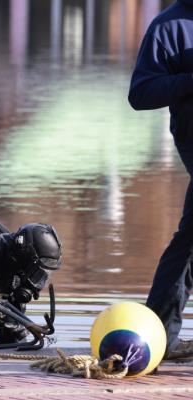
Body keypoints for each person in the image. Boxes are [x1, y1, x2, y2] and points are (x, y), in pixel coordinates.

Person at [128, 0, 193, 358]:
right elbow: (140, 94)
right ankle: (160, 336)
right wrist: (189, 81)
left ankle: (159, 336)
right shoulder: (168, 26)